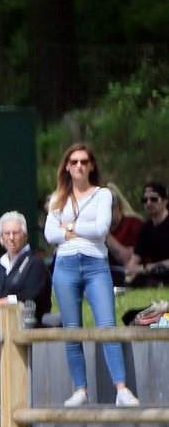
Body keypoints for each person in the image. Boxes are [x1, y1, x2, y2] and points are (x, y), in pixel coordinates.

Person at [44, 143, 139, 407]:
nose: (78, 166)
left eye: (84, 162)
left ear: (91, 165)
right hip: (65, 265)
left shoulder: (103, 195)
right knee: (72, 329)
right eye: (73, 162)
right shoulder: (57, 198)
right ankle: (80, 390)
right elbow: (49, 234)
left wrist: (70, 226)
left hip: (96, 263)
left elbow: (100, 230)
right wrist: (67, 231)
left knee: (107, 325)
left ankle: (121, 389)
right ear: (66, 165)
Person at [0, 211, 51, 325]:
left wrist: (1, 302)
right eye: (7, 233)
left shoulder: (35, 263)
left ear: (25, 236)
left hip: (27, 326)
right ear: (1, 239)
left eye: (16, 233)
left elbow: (29, 297)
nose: (11, 238)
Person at [126, 181, 169, 287]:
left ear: (165, 201)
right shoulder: (145, 229)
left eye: (154, 199)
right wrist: (152, 268)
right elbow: (131, 266)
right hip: (157, 276)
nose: (148, 203)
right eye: (145, 200)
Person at [103, 183, 143, 287]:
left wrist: (107, 235)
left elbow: (129, 260)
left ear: (117, 207)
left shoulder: (134, 224)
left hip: (131, 278)